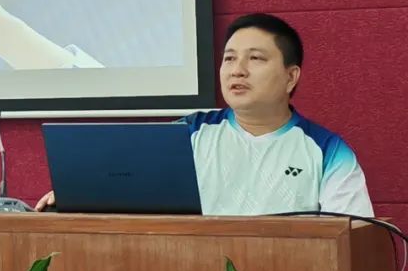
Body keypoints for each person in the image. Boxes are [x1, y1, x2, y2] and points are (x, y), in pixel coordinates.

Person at [36, 13, 374, 216]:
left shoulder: (328, 152)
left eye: (255, 59)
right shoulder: (187, 134)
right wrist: (79, 194)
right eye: (229, 58)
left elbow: (352, 238)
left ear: (291, 76)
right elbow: (123, 181)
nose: (237, 70)